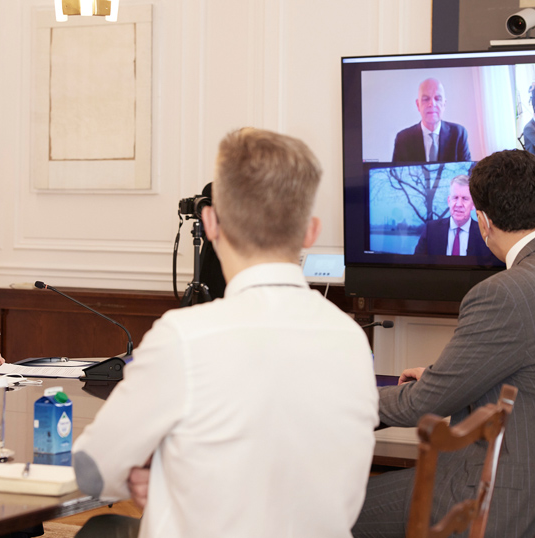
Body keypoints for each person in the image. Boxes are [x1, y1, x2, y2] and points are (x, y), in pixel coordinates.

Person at [72, 128, 379, 538]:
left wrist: (164, 471)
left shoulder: (183, 336)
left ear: (211, 222)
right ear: (311, 231)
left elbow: (91, 472)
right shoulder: (352, 340)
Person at [353, 149, 535, 538]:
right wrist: (444, 377)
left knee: (338, 507)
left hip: (514, 500)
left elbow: (426, 403)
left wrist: (350, 399)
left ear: (482, 221)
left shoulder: (504, 293)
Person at [391, 78, 470, 163]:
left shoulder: (458, 134)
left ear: (444, 104)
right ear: (418, 105)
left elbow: (466, 174)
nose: (432, 103)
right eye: (426, 99)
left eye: (437, 99)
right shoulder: (403, 139)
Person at [413, 175, 488, 257]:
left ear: (473, 204)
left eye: (465, 198)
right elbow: (417, 264)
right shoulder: (430, 230)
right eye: (455, 198)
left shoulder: (484, 233)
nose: (459, 204)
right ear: (449, 201)